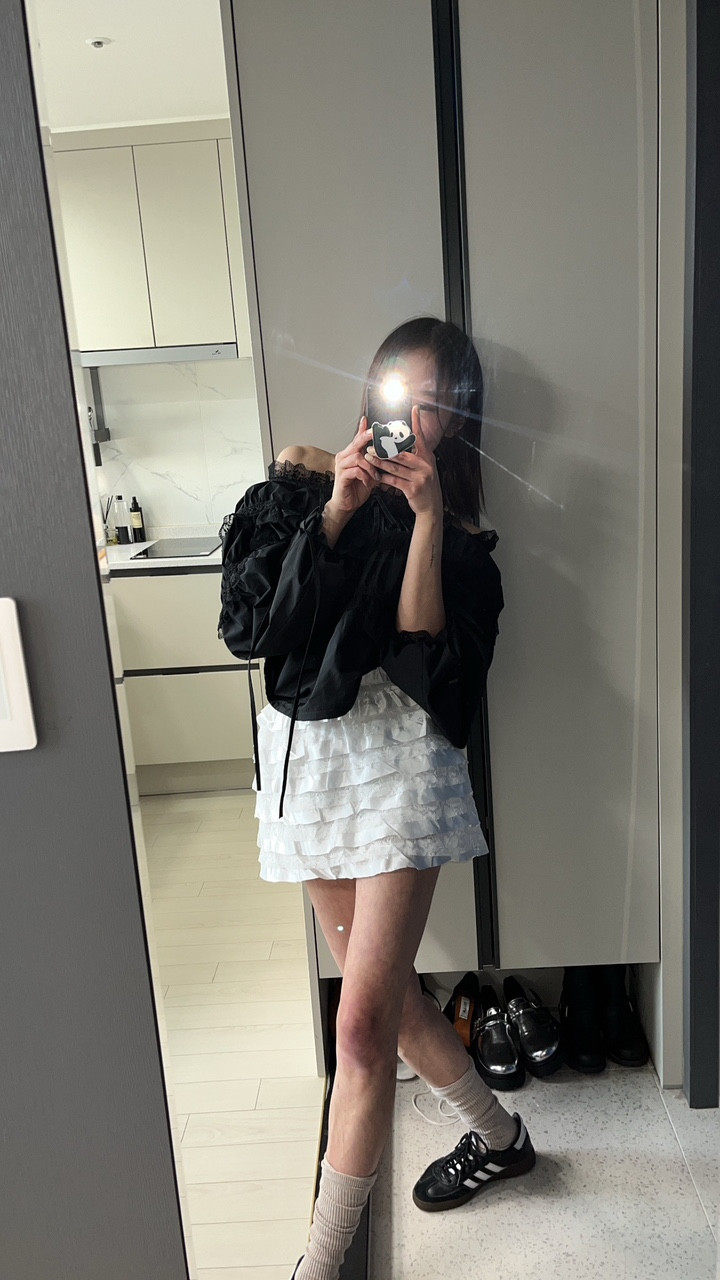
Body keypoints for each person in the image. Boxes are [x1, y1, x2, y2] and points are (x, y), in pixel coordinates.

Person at [218, 317, 535, 1280]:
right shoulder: (299, 486)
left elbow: (425, 660)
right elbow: (253, 630)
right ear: (371, 392)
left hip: (401, 767)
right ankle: (503, 1137)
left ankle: (317, 1267)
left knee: (356, 1029)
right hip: (311, 765)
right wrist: (333, 513)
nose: (414, 417)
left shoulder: (466, 546)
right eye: (402, 393)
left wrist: (427, 521)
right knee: (387, 1007)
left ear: (458, 422)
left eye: (436, 405)